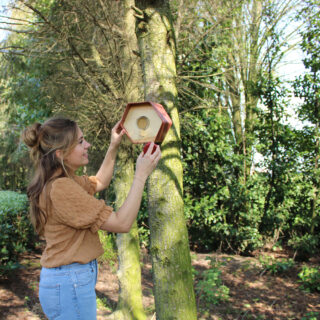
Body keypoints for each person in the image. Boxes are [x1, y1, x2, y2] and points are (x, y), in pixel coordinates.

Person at [22, 117, 161, 320]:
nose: (87, 145)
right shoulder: (61, 188)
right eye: (80, 142)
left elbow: (100, 181)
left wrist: (114, 145)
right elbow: (121, 223)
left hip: (67, 282)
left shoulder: (60, 181)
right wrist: (141, 175)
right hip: (70, 284)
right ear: (61, 154)